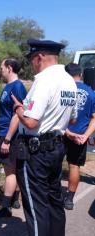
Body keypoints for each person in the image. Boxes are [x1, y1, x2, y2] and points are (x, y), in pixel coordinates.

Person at [11, 39, 77, 236]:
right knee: (54, 201)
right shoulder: (69, 82)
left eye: (32, 59)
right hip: (56, 148)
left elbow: (31, 122)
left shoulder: (43, 80)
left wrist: (18, 108)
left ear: (39, 57)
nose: (32, 63)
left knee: (36, 206)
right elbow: (72, 120)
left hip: (36, 152)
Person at [0, 58, 27, 218]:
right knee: (15, 169)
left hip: (10, 137)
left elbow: (18, 115)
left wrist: (6, 139)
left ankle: (5, 208)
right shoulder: (10, 86)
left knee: (10, 172)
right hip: (4, 133)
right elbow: (6, 113)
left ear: (9, 68)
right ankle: (15, 199)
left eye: (1, 67)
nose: (1, 70)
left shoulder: (17, 87)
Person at [64, 63, 95, 210]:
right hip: (79, 136)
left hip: (61, 133)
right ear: (81, 75)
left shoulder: (63, 90)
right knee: (74, 165)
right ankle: (69, 199)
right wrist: (85, 136)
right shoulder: (91, 92)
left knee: (54, 164)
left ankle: (52, 194)